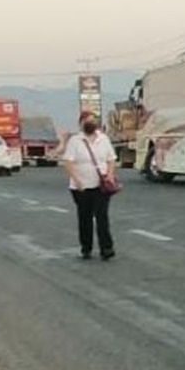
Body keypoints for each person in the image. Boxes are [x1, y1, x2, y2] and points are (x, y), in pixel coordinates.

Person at [62, 111, 118, 261]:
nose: (90, 123)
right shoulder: (75, 141)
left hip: (101, 186)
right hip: (81, 187)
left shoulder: (103, 139)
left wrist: (110, 175)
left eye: (93, 120)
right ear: (81, 123)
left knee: (101, 216)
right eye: (87, 120)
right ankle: (86, 247)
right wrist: (77, 180)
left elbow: (111, 159)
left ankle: (106, 248)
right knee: (85, 217)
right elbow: (68, 162)